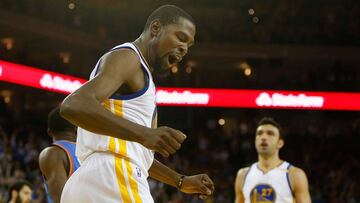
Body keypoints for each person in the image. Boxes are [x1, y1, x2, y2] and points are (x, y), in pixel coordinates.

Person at [60, 4, 214, 203]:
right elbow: (73, 104)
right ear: (156, 28)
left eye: (188, 46)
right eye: (180, 38)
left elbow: (135, 152)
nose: (184, 49)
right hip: (114, 177)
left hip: (90, 181)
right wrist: (145, 134)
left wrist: (179, 181)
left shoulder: (136, 71)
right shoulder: (129, 58)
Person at [234, 117, 311, 203]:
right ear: (255, 141)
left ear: (280, 143)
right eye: (259, 133)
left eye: (270, 133)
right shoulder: (242, 175)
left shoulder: (295, 174)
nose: (263, 137)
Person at [38, 107, 80, 203]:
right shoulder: (88, 151)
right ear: (76, 129)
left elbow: (60, 199)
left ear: (49, 132)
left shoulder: (53, 154)